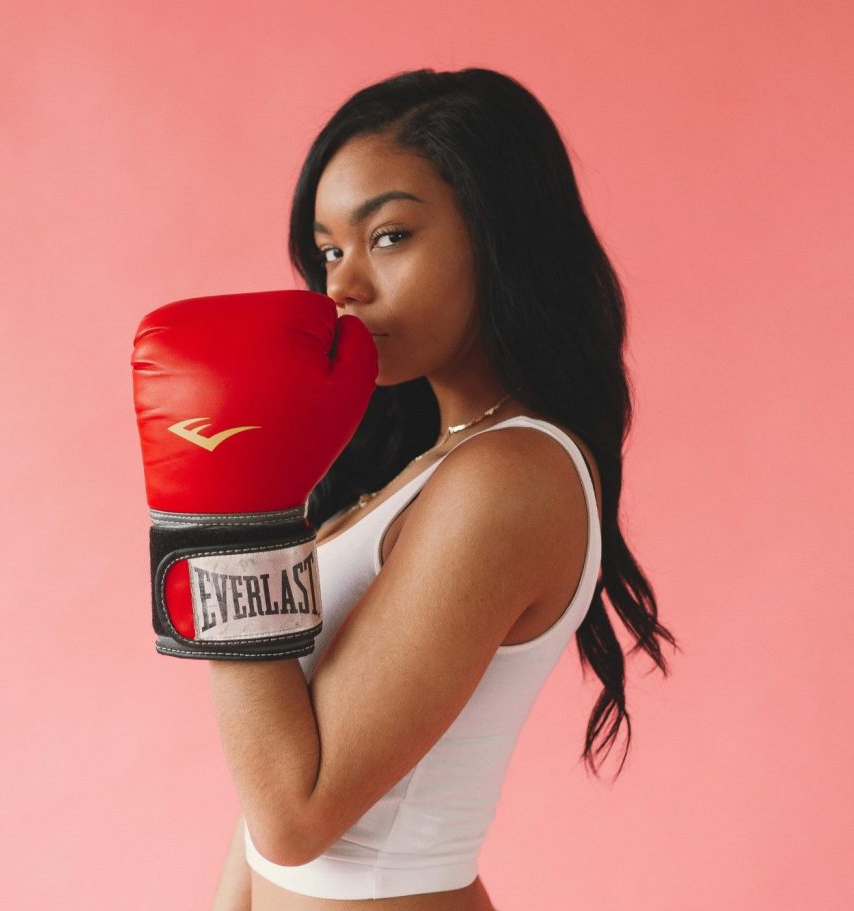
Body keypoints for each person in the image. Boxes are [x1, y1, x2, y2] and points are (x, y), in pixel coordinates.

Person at [196, 66, 679, 910]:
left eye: (388, 236)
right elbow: (262, 805)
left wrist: (221, 517)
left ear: (499, 236)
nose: (341, 285)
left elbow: (295, 815)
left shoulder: (508, 476)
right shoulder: (423, 466)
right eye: (329, 250)